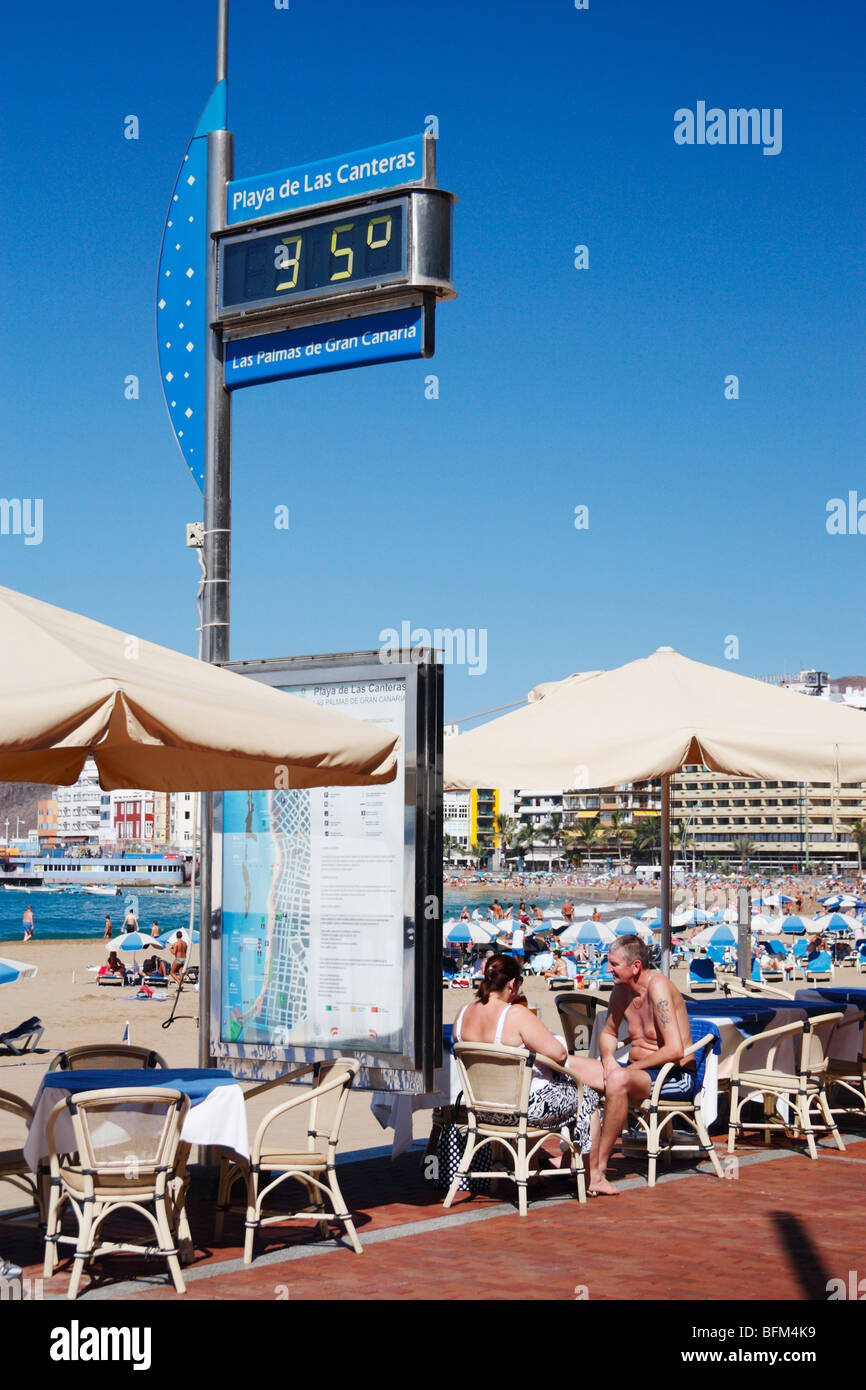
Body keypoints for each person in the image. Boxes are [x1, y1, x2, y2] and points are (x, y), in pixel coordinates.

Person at [570, 935, 696, 1196]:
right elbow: (608, 1033)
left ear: (635, 966)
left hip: (674, 1075)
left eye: (613, 964)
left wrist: (625, 1071)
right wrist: (607, 1061)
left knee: (617, 1080)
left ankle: (598, 1170)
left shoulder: (658, 987)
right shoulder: (620, 991)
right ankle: (575, 1157)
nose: (608, 969)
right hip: (636, 1072)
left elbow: (674, 1050)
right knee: (571, 1067)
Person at [454, 954, 600, 1153]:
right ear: (513, 983)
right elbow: (559, 1055)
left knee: (540, 1086)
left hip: (481, 1109)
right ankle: (592, 1176)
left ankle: (532, 1168)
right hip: (520, 1111)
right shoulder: (514, 1014)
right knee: (588, 1097)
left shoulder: (462, 1014)